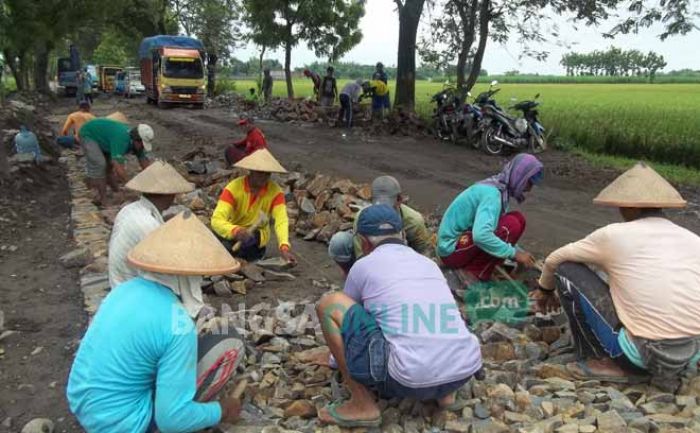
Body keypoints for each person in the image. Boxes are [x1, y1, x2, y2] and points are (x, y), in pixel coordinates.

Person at [67, 212, 245, 433]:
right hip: (123, 424)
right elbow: (172, 420)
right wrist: (221, 410)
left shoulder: (123, 291)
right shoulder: (176, 323)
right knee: (230, 342)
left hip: (85, 407)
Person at [534, 162, 700, 388]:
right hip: (691, 353)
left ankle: (597, 360)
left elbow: (555, 259)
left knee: (567, 269)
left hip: (641, 357)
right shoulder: (692, 239)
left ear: (630, 208)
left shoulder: (614, 235)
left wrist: (544, 290)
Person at [315, 204, 482, 427]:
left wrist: (336, 359)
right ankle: (445, 394)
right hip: (462, 371)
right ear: (402, 235)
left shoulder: (363, 266)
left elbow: (348, 320)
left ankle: (362, 404)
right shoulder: (428, 264)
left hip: (408, 380)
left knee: (330, 304)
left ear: (364, 242)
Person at [437, 153, 543, 282]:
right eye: (529, 183)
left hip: (462, 243)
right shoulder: (493, 195)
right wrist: (514, 254)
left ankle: (485, 265)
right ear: (519, 176)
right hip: (451, 250)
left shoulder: (499, 188)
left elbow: (493, 226)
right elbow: (481, 235)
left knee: (518, 219)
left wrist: (519, 252)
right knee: (512, 225)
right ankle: (474, 273)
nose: (529, 189)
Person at [108, 160, 195, 287]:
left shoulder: (129, 209)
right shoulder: (148, 225)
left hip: (121, 281)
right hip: (130, 287)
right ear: (168, 195)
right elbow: (159, 268)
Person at [329, 175, 433, 275]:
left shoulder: (414, 220)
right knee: (340, 241)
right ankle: (350, 276)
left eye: (388, 207)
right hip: (372, 257)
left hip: (403, 261)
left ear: (399, 200)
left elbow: (424, 252)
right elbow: (362, 256)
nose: (384, 212)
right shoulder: (364, 216)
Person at [211, 148, 295, 264]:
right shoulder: (233, 188)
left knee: (248, 241)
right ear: (251, 171)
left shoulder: (276, 192)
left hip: (256, 236)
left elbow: (281, 220)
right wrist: (236, 231)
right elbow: (217, 219)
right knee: (214, 233)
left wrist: (284, 246)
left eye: (267, 173)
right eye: (260, 172)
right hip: (234, 230)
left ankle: (236, 257)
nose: (264, 177)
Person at [79, 117, 154, 206]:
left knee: (108, 167)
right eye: (142, 144)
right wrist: (132, 186)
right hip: (89, 134)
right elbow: (119, 168)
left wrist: (153, 181)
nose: (142, 147)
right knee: (100, 164)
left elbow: (144, 162)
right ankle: (102, 199)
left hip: (104, 139)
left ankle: (116, 191)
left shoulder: (137, 144)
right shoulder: (122, 140)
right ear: (136, 139)